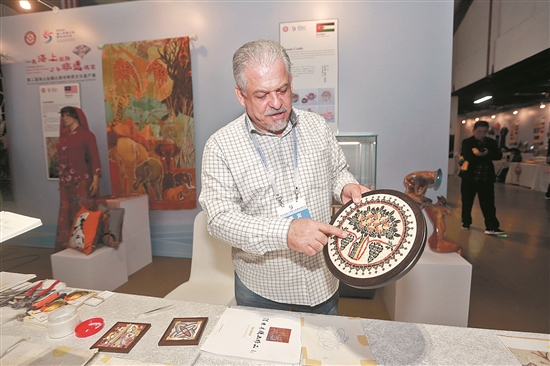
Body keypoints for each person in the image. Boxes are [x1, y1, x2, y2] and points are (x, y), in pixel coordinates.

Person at [198, 39, 369, 315]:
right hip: (263, 292)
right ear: (241, 96)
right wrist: (285, 232)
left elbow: (337, 171)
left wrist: (345, 186)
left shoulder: (316, 125)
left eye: (282, 89)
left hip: (324, 284)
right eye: (262, 95)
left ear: (290, 82)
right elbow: (219, 219)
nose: (276, 103)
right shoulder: (220, 146)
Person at [54, 106, 101, 252]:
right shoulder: (64, 138)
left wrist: (95, 179)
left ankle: (86, 243)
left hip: (81, 180)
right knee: (66, 211)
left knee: (83, 210)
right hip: (66, 182)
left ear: (76, 117)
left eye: (68, 115)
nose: (65, 118)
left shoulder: (87, 135)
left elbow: (94, 157)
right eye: (63, 115)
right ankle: (67, 245)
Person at [460, 120, 505, 235]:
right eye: (479, 131)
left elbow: (498, 155)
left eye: (484, 132)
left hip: (486, 179)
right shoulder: (467, 142)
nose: (482, 134)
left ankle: (492, 227)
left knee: (489, 204)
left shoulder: (491, 143)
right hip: (470, 178)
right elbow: (469, 156)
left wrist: (484, 154)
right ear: (474, 131)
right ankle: (466, 222)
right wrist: (485, 156)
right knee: (467, 202)